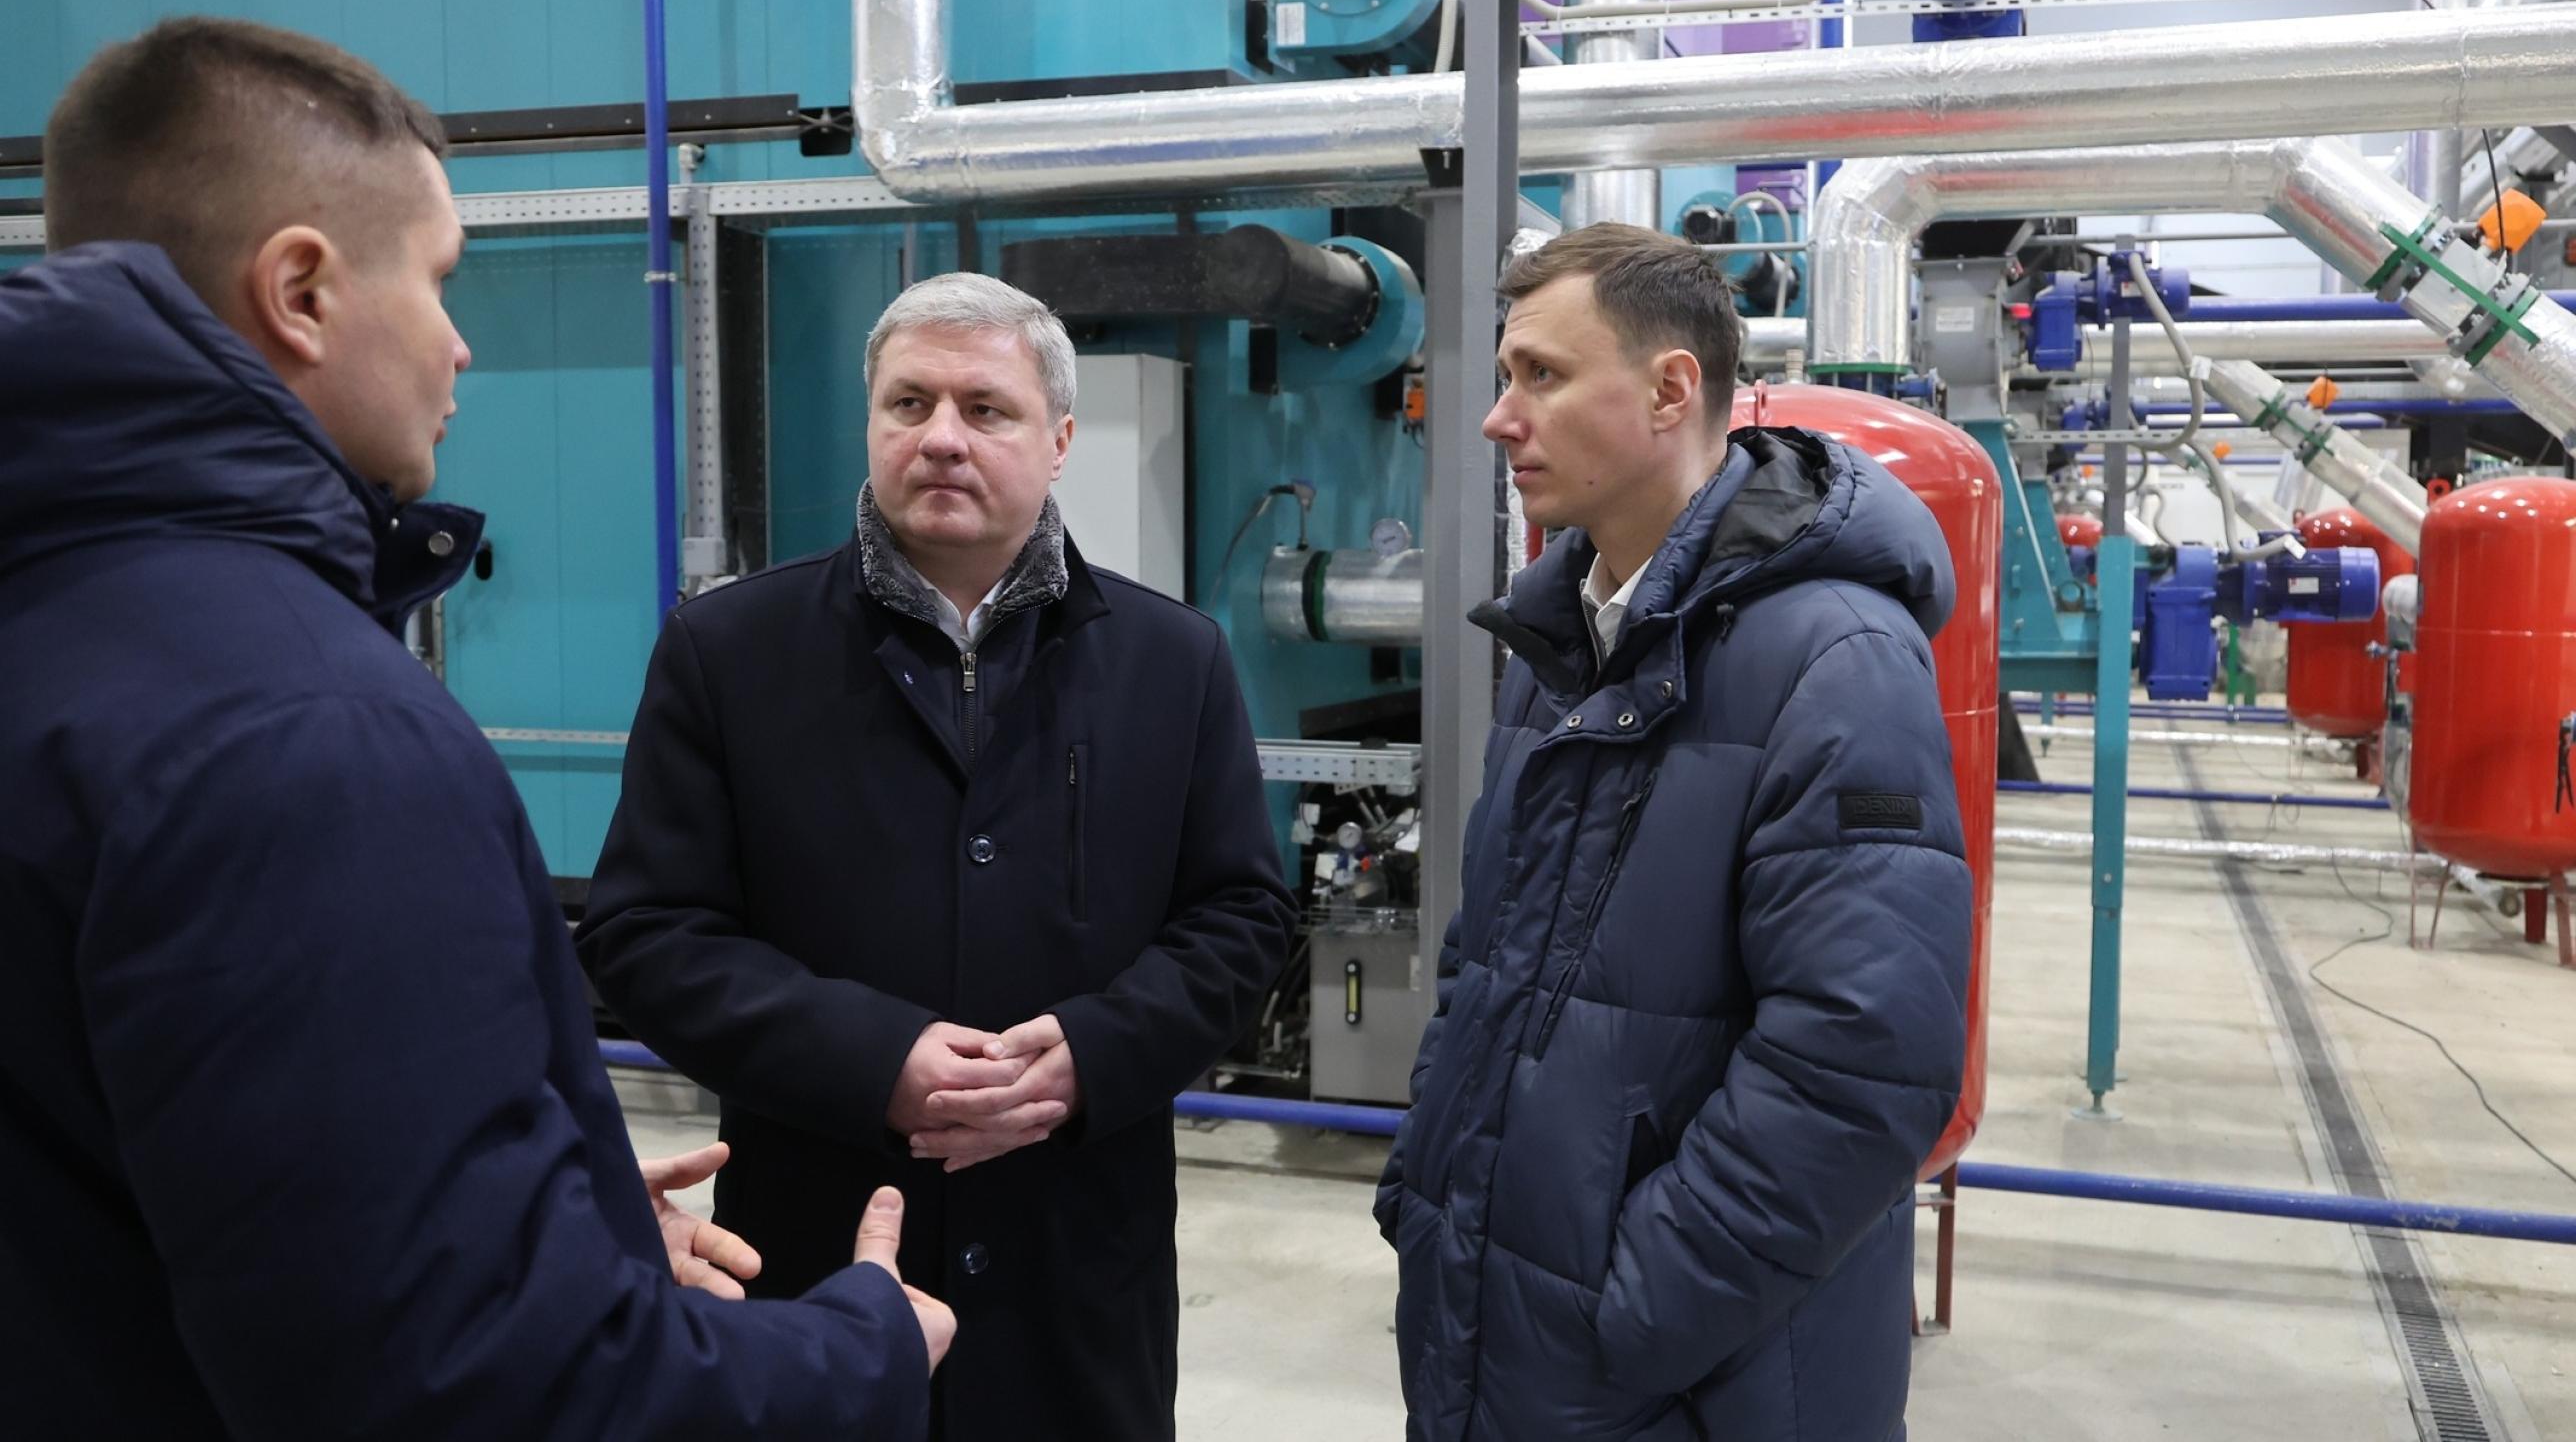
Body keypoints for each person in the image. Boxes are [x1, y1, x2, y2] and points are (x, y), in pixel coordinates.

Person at [0, 16, 950, 1439]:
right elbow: (481, 1389)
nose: (459, 345)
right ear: (302, 292)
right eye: (440, 279)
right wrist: (859, 1351)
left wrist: (536, 1217)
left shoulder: (63, 624)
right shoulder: (303, 734)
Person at [575, 271, 1300, 1442]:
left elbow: (1241, 917)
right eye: (908, 404)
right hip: (815, 1258)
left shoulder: (1174, 662)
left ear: (1059, 440)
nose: (942, 438)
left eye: (986, 408)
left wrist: (1093, 1056)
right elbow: (645, 933)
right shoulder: (730, 653)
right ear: (869, 424)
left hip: (1075, 1272)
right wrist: (875, 1060)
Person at [1377, 223, 1972, 1442]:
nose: (1497, 418)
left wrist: (1635, 1308)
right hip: (1503, 1318)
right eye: (1505, 376)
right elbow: (1483, 965)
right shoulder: (1561, 645)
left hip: (1689, 1377)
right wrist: (1428, 1189)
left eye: (1540, 375)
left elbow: (1860, 1065)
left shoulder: (1836, 660)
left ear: (1668, 390)